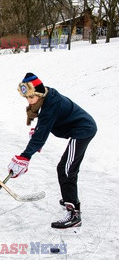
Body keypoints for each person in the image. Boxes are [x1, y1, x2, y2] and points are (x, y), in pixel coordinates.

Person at [8, 73, 97, 229]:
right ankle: (69, 197)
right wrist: (38, 133)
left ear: (39, 93)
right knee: (65, 168)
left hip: (83, 130)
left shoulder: (51, 103)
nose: (28, 101)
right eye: (26, 98)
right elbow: (44, 125)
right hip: (78, 129)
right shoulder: (47, 97)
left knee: (66, 169)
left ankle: (74, 213)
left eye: (30, 97)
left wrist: (24, 157)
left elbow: (43, 131)